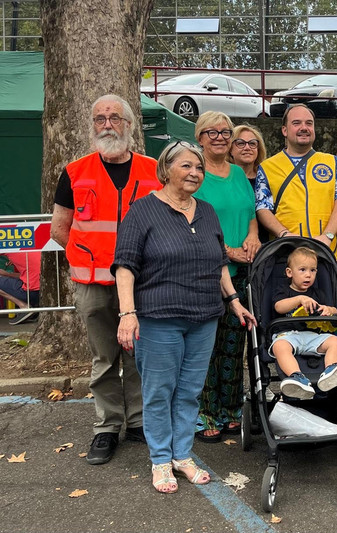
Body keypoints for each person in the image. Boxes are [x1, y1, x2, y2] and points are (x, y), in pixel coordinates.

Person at [113, 140, 256, 494]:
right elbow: (125, 267)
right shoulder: (143, 211)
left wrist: (234, 301)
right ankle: (161, 460)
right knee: (160, 391)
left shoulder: (206, 211)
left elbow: (218, 260)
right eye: (187, 166)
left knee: (190, 391)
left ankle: (182, 455)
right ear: (166, 170)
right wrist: (127, 313)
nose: (195, 173)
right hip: (158, 317)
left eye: (199, 168)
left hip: (205, 316)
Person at [50, 94, 161, 465]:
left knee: (139, 355)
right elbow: (60, 229)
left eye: (115, 117)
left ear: (130, 125)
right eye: (100, 118)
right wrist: (91, 260)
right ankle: (107, 427)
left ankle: (140, 422)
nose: (107, 124)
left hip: (143, 284)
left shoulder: (153, 170)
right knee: (103, 359)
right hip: (93, 284)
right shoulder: (75, 171)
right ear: (93, 125)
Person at [192, 112, 261, 444]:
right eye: (212, 132)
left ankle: (232, 409)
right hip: (205, 274)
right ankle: (205, 411)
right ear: (200, 137)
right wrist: (229, 250)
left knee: (235, 347)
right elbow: (191, 222)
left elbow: (249, 215)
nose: (220, 137)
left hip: (240, 276)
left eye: (225, 132)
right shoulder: (195, 174)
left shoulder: (237, 173)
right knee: (205, 348)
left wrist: (252, 238)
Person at [255, 104, 337, 253]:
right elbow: (263, 208)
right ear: (284, 130)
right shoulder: (267, 167)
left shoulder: (332, 162)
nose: (304, 128)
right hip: (285, 252)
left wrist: (328, 236)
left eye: (309, 123)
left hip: (324, 251)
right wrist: (284, 234)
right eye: (296, 123)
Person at [271, 246, 337, 399]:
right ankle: (297, 377)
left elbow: (334, 311)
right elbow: (278, 306)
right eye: (302, 270)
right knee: (279, 346)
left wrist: (329, 309)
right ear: (290, 272)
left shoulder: (318, 293)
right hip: (288, 335)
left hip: (313, 336)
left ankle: (330, 371)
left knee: (336, 341)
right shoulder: (283, 290)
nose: (308, 275)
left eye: (313, 270)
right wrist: (299, 299)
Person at [229, 123, 269, 245]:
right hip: (232, 244)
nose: (247, 147)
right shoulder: (223, 179)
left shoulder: (267, 179)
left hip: (265, 248)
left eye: (252, 143)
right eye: (240, 143)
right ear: (230, 149)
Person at [0, 252, 41, 325]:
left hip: (32, 292)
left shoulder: (8, 246)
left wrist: (6, 274)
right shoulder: (32, 248)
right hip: (46, 291)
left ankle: (24, 307)